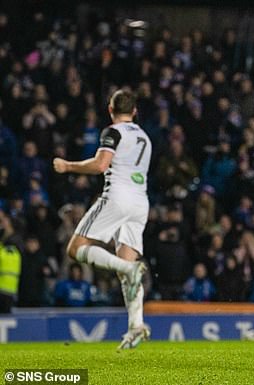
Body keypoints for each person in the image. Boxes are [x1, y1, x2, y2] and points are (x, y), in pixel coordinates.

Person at [53, 89, 151, 350]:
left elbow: (100, 165)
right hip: (140, 203)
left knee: (75, 249)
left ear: (110, 110)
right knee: (128, 269)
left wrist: (68, 166)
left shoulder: (112, 132)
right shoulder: (145, 137)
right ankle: (136, 326)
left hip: (117, 196)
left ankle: (128, 269)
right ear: (135, 111)